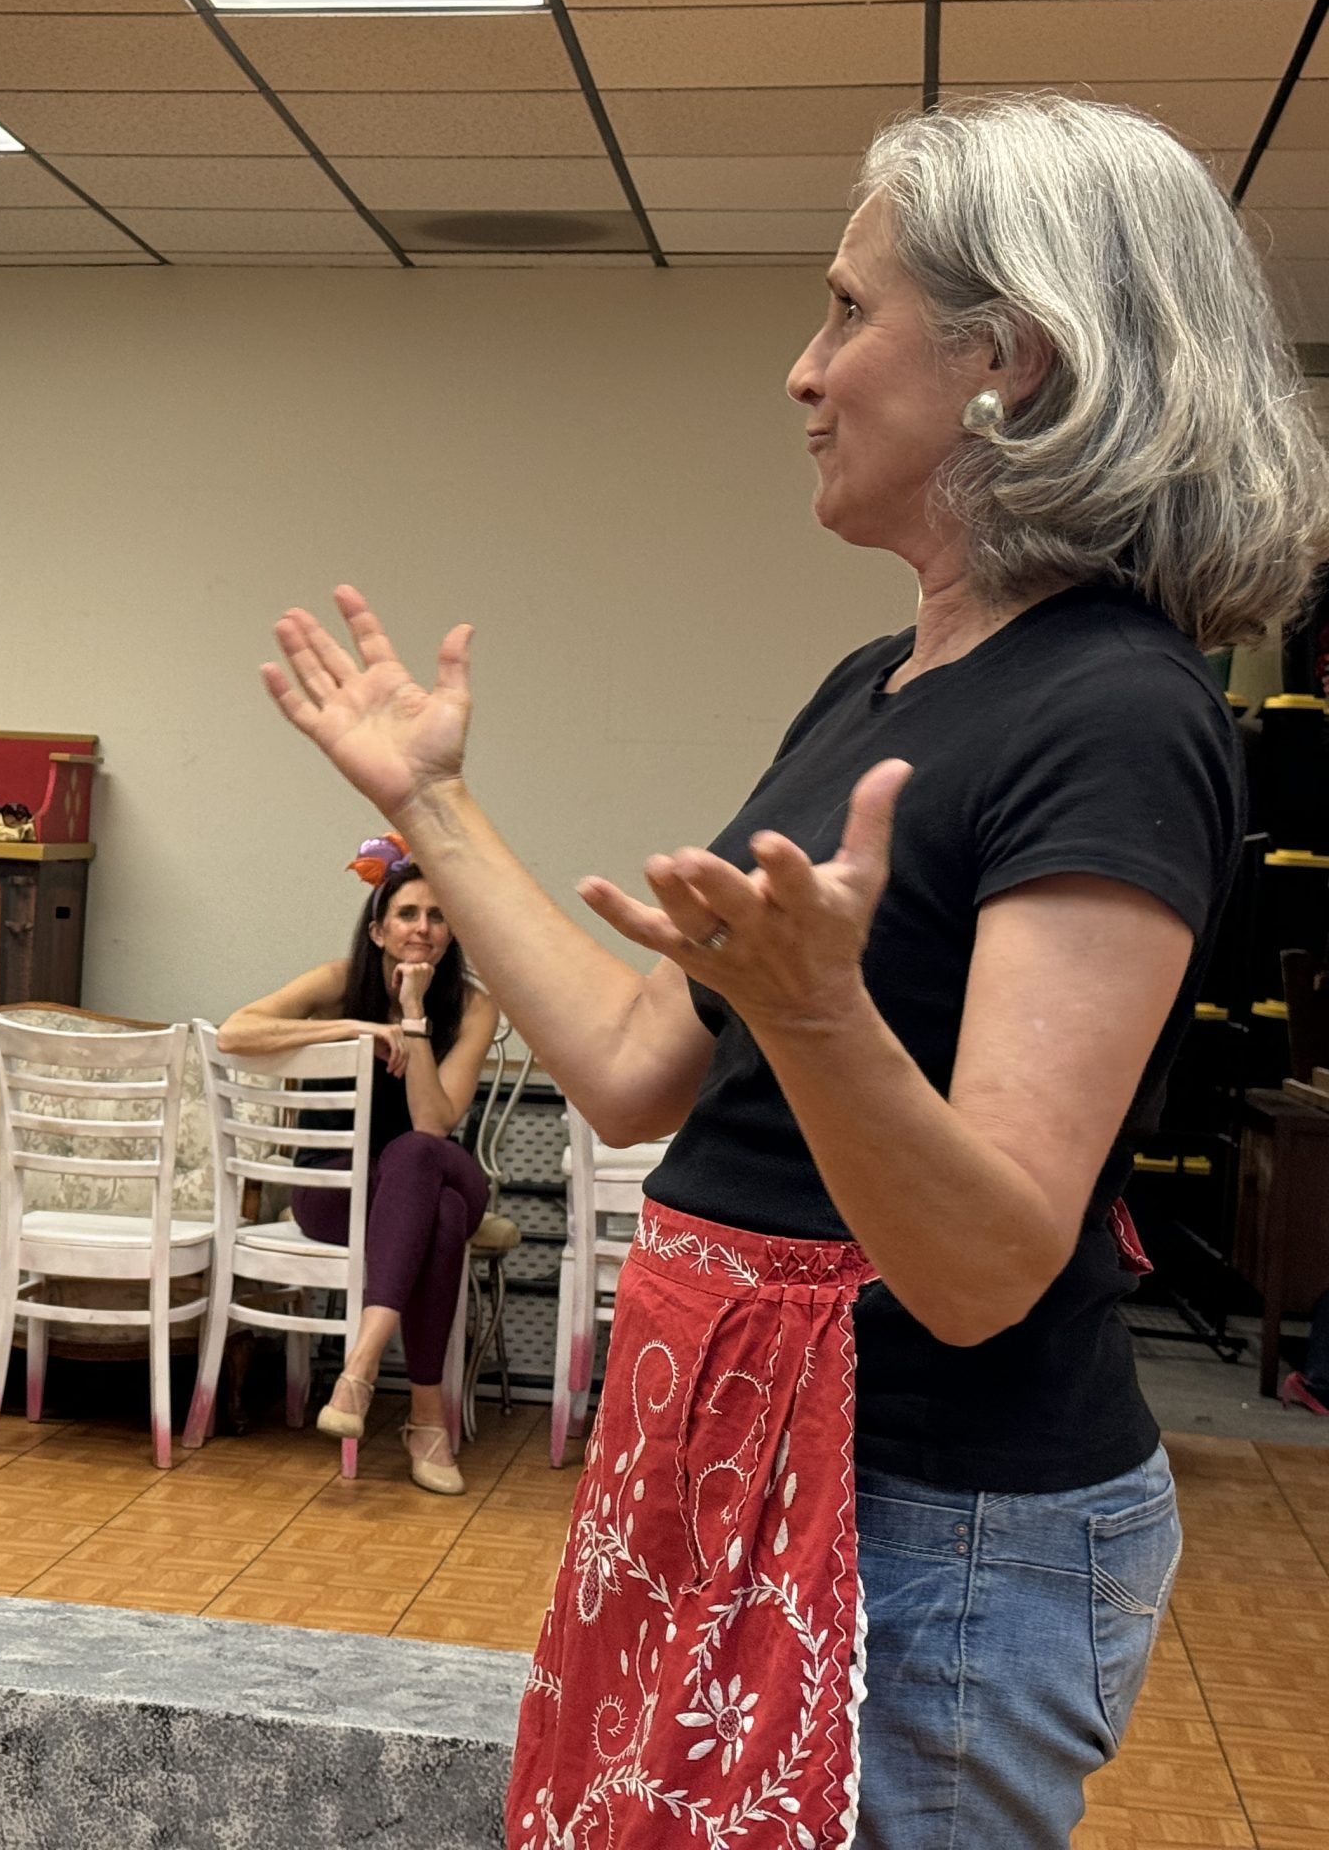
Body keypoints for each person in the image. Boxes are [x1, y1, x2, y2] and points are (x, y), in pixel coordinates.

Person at [261, 95, 1329, 1850]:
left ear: (1015, 361)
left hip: (937, 1525)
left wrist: (823, 1011)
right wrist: (430, 804)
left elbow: (987, 1262)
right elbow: (628, 1065)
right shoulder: (873, 684)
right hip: (729, 1472)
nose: (803, 371)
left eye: (849, 310)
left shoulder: (1125, 716)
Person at [219, 844, 499, 1492]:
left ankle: (361, 1367)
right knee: (445, 1215)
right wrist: (351, 1029)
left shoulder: (476, 1006)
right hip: (332, 1192)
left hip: (427, 1166)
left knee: (418, 1154)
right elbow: (235, 1033)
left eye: (436, 915)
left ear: (452, 929)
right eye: (406, 914)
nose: (421, 928)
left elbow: (433, 1122)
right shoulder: (339, 980)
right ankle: (427, 1421)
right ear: (378, 929)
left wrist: (414, 1019)